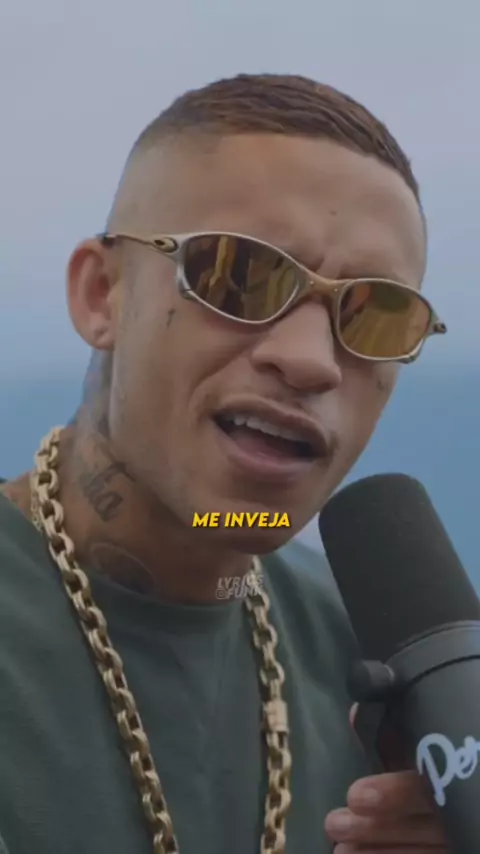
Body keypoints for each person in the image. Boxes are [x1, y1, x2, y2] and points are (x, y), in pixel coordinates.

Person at [0, 73, 449, 854]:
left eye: (376, 314)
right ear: (103, 295)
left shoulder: (390, 680)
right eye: (240, 277)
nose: (311, 361)